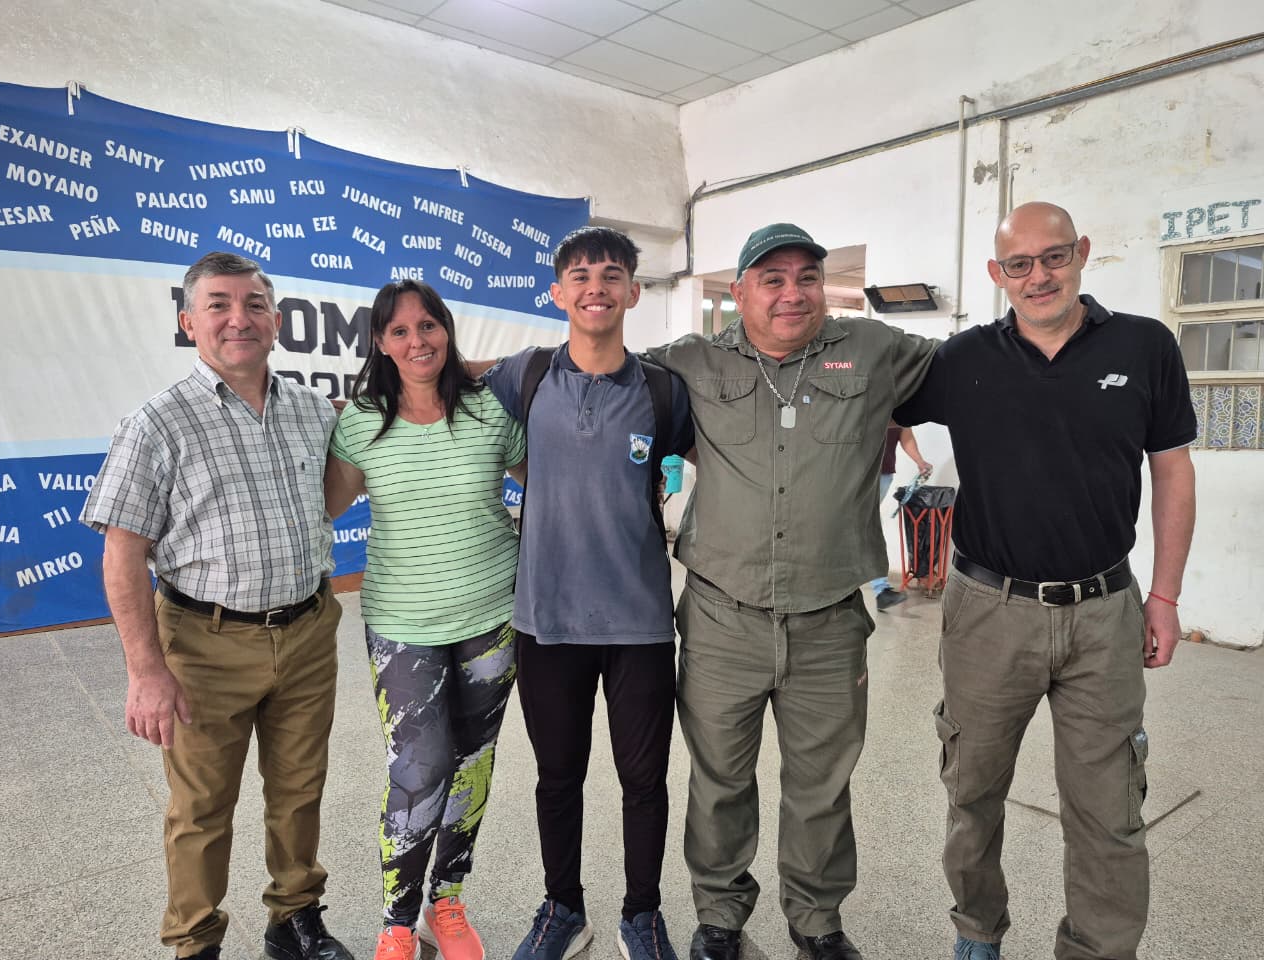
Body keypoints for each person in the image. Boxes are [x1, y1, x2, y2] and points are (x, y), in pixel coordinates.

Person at [892, 201, 1197, 960]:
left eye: (1054, 257)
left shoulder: (1145, 345)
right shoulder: (963, 359)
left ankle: (1097, 949)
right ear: (998, 274)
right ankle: (977, 932)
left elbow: (1173, 471)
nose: (1039, 276)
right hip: (988, 611)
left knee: (1110, 807)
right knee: (972, 793)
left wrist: (1163, 596)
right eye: (1019, 264)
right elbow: (874, 403)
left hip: (1105, 611)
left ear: (1082, 253)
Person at [646, 223, 938, 960]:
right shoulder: (690, 361)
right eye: (770, 279)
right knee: (719, 781)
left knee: (821, 786)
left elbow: (982, 370)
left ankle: (815, 919)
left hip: (829, 619)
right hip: (721, 616)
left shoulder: (872, 351)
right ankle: (719, 916)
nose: (791, 292)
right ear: (738, 292)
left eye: (806, 277)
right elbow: (593, 373)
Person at [80, 252, 352, 960]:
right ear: (188, 322)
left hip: (307, 631)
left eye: (255, 303)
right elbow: (120, 554)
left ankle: (295, 917)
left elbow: (334, 490)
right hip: (202, 643)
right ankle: (194, 940)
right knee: (200, 808)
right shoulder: (157, 423)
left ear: (277, 320)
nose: (240, 318)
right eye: (220, 304)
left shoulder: (311, 411)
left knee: (299, 790)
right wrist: (146, 670)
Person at [480, 226, 694, 960]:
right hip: (547, 621)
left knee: (644, 781)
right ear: (558, 292)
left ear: (634, 292)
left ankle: (642, 914)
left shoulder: (664, 389)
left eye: (610, 274)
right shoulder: (527, 374)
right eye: (579, 275)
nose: (595, 286)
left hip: (638, 622)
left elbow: (722, 458)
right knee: (557, 776)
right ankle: (562, 908)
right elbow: (457, 391)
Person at [323, 280, 527, 960]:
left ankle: (448, 901)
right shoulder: (359, 421)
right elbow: (320, 506)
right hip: (402, 620)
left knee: (471, 762)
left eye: (429, 325)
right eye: (401, 331)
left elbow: (552, 484)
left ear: (447, 330)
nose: (418, 341)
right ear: (381, 343)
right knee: (421, 765)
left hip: (491, 612)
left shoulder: (489, 409)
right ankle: (395, 919)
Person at [868, 424, 932, 610]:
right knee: (866, 526)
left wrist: (920, 461)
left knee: (867, 526)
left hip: (883, 474)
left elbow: (905, 434)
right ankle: (880, 590)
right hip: (858, 472)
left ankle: (881, 590)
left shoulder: (897, 399)